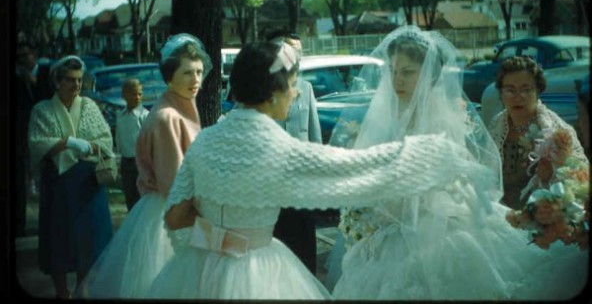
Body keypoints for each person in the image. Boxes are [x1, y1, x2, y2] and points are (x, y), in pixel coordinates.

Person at [147, 41, 498, 299]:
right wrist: (432, 153)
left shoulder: (205, 140)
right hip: (258, 272)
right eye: (294, 85)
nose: (296, 95)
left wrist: (215, 224)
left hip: (196, 268)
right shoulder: (281, 149)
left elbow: (175, 217)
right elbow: (358, 170)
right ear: (274, 90)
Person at [330, 26, 588, 300]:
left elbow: (442, 179)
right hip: (390, 224)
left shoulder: (441, 119)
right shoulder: (388, 116)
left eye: (407, 72)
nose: (397, 80)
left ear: (428, 74)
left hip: (435, 222)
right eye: (393, 71)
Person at [76, 33, 212, 298]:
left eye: (198, 72)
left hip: (173, 206)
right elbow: (173, 182)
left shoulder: (180, 106)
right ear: (169, 76)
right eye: (187, 73)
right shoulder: (167, 117)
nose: (195, 80)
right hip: (171, 212)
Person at [28, 55, 114, 299]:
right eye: (70, 80)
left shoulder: (89, 106)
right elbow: (37, 143)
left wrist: (90, 146)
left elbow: (105, 139)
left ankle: (82, 289)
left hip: (88, 184)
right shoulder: (42, 110)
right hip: (58, 185)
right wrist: (67, 142)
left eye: (79, 80)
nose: (77, 85)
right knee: (59, 240)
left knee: (89, 241)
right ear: (57, 81)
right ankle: (61, 291)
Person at [488, 56, 588, 210]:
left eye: (526, 89)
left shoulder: (557, 130)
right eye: (510, 90)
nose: (517, 97)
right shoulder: (496, 125)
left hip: (541, 217)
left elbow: (578, 182)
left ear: (538, 91)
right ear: (501, 93)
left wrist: (550, 175)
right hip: (496, 213)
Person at [267, 30, 321, 274]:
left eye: (300, 52)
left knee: (305, 243)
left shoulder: (306, 88)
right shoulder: (265, 88)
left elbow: (314, 133)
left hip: (303, 179)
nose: (297, 56)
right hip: (274, 179)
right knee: (280, 243)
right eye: (292, 51)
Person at [15, 41, 39, 236]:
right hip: (23, 136)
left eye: (26, 55)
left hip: (44, 133)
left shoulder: (47, 73)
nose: (23, 60)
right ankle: (19, 223)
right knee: (21, 178)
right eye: (19, 57)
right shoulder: (16, 78)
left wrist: (33, 82)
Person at [115, 78, 149, 211]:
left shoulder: (144, 116)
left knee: (141, 198)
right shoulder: (121, 116)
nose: (137, 97)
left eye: (140, 94)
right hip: (126, 161)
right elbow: (119, 137)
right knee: (129, 197)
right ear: (124, 95)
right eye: (134, 94)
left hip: (140, 162)